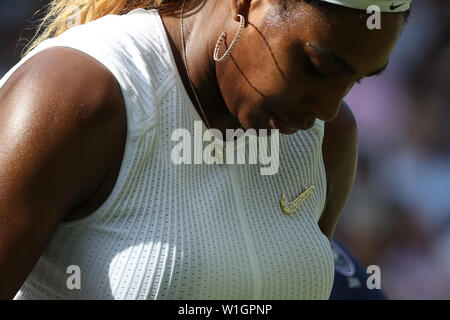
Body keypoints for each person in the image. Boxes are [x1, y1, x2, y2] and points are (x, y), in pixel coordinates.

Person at [0, 0, 411, 299]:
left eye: (355, 81)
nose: (325, 110)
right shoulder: (75, 96)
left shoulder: (329, 139)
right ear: (246, 4)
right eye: (316, 68)